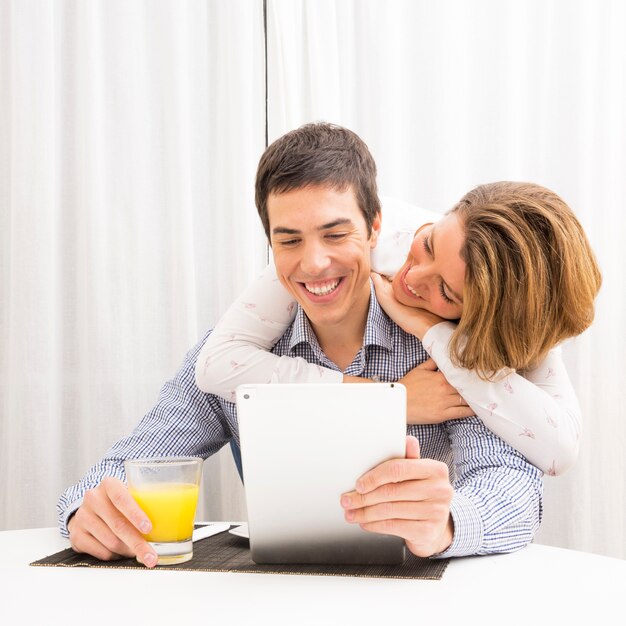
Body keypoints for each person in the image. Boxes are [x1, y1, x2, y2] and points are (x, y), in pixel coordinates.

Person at [58, 122, 544, 568]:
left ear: (375, 226)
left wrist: (447, 523)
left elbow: (513, 490)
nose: (313, 263)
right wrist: (90, 509)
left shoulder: (445, 351)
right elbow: (137, 459)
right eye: (288, 241)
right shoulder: (230, 360)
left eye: (335, 234)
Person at [195, 182, 601, 477]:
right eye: (429, 244)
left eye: (446, 290)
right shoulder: (355, 236)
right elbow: (215, 365)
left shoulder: (515, 325)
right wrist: (388, 401)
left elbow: (559, 450)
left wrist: (432, 334)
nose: (413, 275)